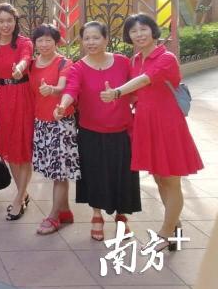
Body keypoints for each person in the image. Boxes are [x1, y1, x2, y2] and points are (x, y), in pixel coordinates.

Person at [99, 13, 203, 252]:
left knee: (171, 180)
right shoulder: (135, 60)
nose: (139, 35)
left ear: (153, 31)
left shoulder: (166, 57)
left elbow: (145, 81)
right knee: (159, 179)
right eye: (133, 31)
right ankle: (174, 227)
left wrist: (117, 92)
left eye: (143, 29)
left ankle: (165, 233)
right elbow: (136, 94)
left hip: (168, 124)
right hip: (145, 123)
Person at [55, 21, 141, 241]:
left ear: (106, 39)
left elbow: (135, 88)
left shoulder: (122, 62)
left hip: (121, 130)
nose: (91, 42)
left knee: (122, 175)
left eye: (96, 37)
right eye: (86, 38)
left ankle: (121, 216)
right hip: (91, 132)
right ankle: (96, 216)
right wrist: (63, 105)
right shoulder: (78, 67)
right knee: (95, 175)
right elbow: (71, 89)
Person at [0, 3, 35, 221]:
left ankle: (19, 198)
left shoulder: (24, 43)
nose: (5, 25)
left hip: (24, 96)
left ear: (15, 22)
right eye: (1, 21)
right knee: (11, 149)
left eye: (9, 20)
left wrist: (20, 68)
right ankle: (22, 193)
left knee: (23, 149)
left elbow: (26, 58)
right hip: (3, 98)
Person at [29, 24, 80, 235]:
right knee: (56, 171)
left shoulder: (64, 63)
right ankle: (65, 211)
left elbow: (62, 87)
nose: (44, 44)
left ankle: (53, 216)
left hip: (60, 123)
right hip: (42, 122)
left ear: (56, 42)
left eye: (48, 40)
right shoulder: (32, 64)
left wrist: (51, 90)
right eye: (40, 40)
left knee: (59, 173)